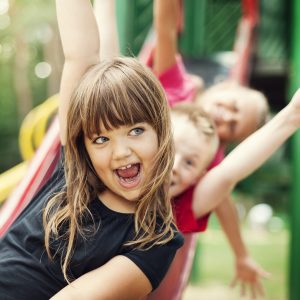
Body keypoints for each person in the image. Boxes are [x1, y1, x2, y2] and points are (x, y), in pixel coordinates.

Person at [0, 0, 184, 299]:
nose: (120, 152)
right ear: (83, 144)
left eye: (136, 131)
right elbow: (81, 53)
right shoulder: (73, 173)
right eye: (101, 139)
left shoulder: (155, 241)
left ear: (161, 133)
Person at [146, 0, 270, 299]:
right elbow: (165, 30)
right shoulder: (178, 87)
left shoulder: (210, 161)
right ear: (226, 87)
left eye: (233, 127)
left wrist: (241, 254)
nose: (225, 118)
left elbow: (224, 205)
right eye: (233, 107)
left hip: (153, 224)